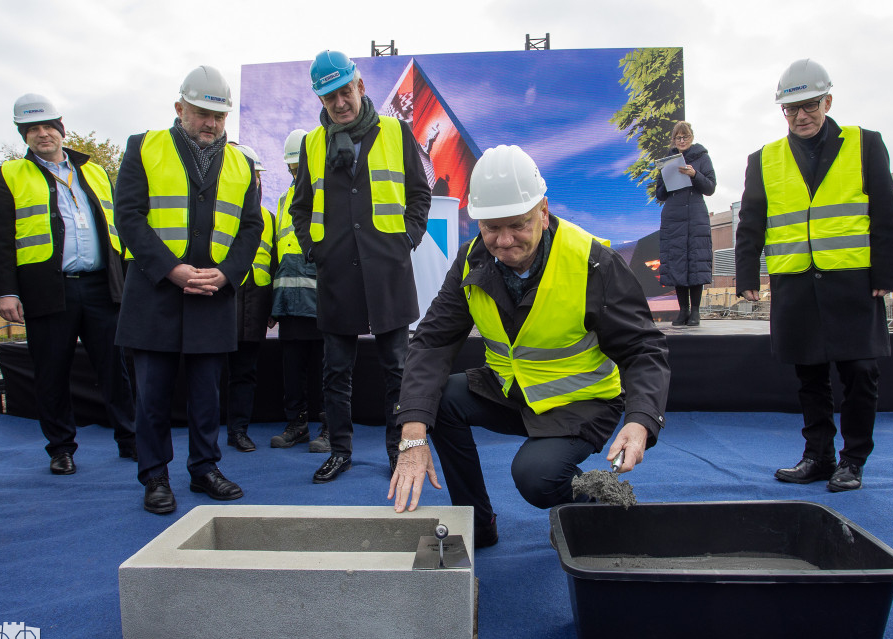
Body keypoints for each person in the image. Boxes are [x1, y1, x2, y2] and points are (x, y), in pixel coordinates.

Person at [388, 145, 670, 546]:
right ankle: (478, 526)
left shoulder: (593, 263)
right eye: (490, 228)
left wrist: (640, 421)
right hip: (514, 392)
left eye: (517, 225)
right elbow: (432, 343)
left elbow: (643, 349)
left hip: (581, 403)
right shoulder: (471, 260)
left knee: (536, 477)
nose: (503, 242)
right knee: (442, 399)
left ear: (543, 210)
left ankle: (596, 511)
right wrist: (413, 435)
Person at [735, 59, 893, 492]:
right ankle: (818, 456)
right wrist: (746, 276)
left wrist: (887, 272)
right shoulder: (764, 159)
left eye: (810, 105)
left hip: (854, 282)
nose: (801, 115)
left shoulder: (865, 145)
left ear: (828, 101)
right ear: (783, 113)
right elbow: (751, 221)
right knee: (809, 376)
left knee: (861, 372)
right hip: (795, 282)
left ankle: (853, 460)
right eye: (792, 109)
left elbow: (886, 212)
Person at [115, 65, 262, 514]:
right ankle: (155, 477)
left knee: (206, 396)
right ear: (180, 108)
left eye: (219, 116)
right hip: (155, 294)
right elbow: (129, 218)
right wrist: (171, 269)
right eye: (202, 113)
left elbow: (251, 227)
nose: (211, 124)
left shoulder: (241, 162)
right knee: (152, 397)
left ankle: (205, 470)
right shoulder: (144, 147)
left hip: (213, 296)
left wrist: (228, 273)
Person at [290, 49, 431, 483]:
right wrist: (316, 250)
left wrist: (407, 238)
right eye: (330, 97)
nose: (339, 103)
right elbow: (300, 208)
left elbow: (418, 195)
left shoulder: (396, 131)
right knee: (336, 372)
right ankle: (340, 451)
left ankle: (397, 452)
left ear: (361, 86)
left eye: (345, 91)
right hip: (337, 276)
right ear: (322, 99)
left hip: (387, 273)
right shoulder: (313, 144)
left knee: (397, 370)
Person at [0, 93, 136, 476]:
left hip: (101, 286)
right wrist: (6, 290)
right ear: (23, 134)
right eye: (32, 129)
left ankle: (131, 438)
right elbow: (1, 239)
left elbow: (117, 226)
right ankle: (60, 447)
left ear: (61, 128)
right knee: (52, 371)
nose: (42, 135)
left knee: (115, 368)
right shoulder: (10, 174)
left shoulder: (96, 171)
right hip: (47, 288)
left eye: (47, 126)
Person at [270, 129, 329, 453]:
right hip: (290, 304)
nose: (296, 172)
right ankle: (298, 424)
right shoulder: (281, 203)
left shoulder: (328, 197)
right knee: (292, 371)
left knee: (326, 371)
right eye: (293, 167)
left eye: (299, 166)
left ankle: (329, 427)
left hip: (323, 304)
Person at [224, 143, 275, 452]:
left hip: (255, 305)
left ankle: (237, 431)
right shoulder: (214, 216)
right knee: (207, 372)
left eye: (255, 175)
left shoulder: (268, 217)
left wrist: (271, 308)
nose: (253, 180)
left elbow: (274, 263)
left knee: (245, 373)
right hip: (220, 301)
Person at [655, 121, 716, 326]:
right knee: (677, 261)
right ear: (673, 140)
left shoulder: (702, 157)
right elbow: (660, 194)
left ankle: (696, 311)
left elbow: (710, 187)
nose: (682, 141)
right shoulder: (668, 162)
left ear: (692, 137)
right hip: (674, 216)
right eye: (678, 138)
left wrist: (694, 174)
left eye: (686, 137)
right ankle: (683, 311)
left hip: (695, 215)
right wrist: (667, 176)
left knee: (695, 260)